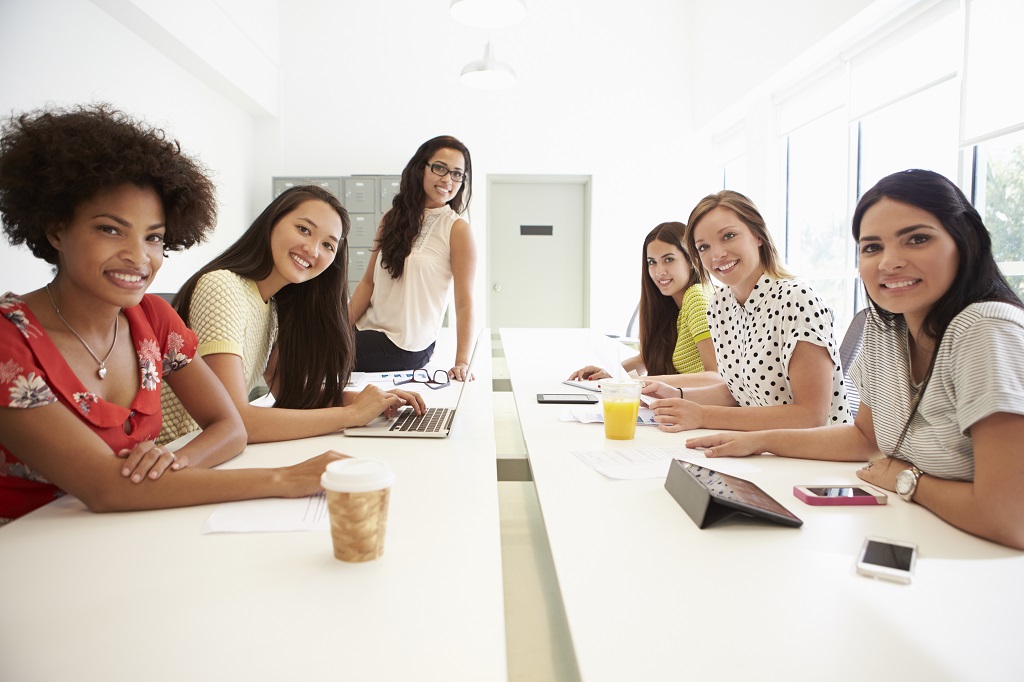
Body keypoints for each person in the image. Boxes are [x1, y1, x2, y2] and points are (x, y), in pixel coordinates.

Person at [0, 105, 344, 525]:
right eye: (110, 229)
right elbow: (105, 487)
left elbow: (230, 426)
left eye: (154, 237)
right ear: (56, 230)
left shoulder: (153, 319)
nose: (138, 256)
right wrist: (284, 478)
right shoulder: (8, 339)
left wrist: (171, 461)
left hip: (132, 529)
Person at [687, 170, 1024, 549]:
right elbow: (865, 439)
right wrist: (758, 441)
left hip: (988, 562)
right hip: (917, 530)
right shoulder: (886, 328)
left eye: (917, 239)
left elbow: (1008, 519)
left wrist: (907, 479)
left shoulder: (985, 329)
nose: (889, 262)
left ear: (965, 241)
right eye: (872, 247)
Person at [159, 186, 425, 445]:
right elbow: (235, 420)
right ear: (272, 222)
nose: (313, 250)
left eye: (328, 246)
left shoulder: (272, 307)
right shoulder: (223, 287)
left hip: (209, 453)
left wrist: (373, 400)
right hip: (171, 453)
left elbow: (291, 394)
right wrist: (351, 415)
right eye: (304, 229)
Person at [642, 190, 851, 431]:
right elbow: (739, 390)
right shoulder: (720, 305)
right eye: (703, 247)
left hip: (813, 458)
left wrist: (704, 416)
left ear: (758, 235)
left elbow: (811, 415)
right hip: (762, 449)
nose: (717, 254)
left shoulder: (796, 299)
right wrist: (677, 394)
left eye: (728, 236)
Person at [349, 135, 477, 381]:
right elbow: (368, 283)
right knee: (315, 341)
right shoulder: (391, 218)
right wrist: (341, 328)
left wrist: (462, 361)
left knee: (319, 353)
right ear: (421, 168)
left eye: (457, 174)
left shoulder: (457, 229)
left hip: (407, 343)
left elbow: (464, 301)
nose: (447, 179)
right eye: (440, 168)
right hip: (367, 328)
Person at [568, 221, 718, 381]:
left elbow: (714, 376)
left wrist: (638, 382)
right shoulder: (673, 304)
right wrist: (610, 373)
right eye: (652, 262)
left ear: (691, 260)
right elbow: (646, 359)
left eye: (668, 260)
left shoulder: (697, 296)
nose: (659, 271)